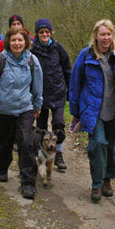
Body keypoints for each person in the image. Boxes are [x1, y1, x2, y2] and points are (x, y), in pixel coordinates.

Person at [68, 19, 115, 203]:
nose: (106, 38)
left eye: (109, 34)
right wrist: (75, 111)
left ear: (112, 36)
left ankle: (108, 179)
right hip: (93, 111)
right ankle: (97, 184)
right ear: (96, 36)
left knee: (110, 147)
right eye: (102, 34)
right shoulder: (86, 56)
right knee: (97, 144)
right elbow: (75, 84)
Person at [0, 28, 43, 199]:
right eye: (13, 40)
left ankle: (28, 182)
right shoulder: (0, 61)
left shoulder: (32, 61)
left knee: (26, 143)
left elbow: (37, 86)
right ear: (8, 42)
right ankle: (3, 167)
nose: (17, 43)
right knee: (4, 142)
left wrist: (37, 105)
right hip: (3, 110)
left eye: (20, 40)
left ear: (26, 42)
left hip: (25, 109)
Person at [31, 18, 72, 171]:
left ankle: (58, 154)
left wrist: (70, 91)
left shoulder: (58, 49)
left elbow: (68, 70)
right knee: (41, 128)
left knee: (59, 124)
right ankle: (42, 157)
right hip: (40, 95)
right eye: (41, 32)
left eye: (47, 31)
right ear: (37, 34)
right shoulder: (32, 51)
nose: (44, 34)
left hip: (58, 93)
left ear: (51, 32)